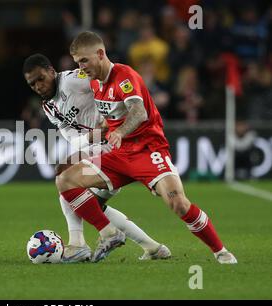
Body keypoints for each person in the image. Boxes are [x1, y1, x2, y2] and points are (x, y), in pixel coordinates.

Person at [56, 31, 237, 264]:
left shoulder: (124, 76)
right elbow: (108, 119)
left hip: (148, 151)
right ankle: (109, 233)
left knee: (178, 203)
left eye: (84, 60)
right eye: (77, 62)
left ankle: (221, 251)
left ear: (100, 54)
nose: (81, 67)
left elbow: (138, 113)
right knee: (66, 179)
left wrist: (120, 132)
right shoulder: (95, 83)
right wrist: (95, 135)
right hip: (120, 155)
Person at [23, 53, 171, 263]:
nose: (38, 86)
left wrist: (111, 120)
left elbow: (107, 81)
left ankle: (80, 243)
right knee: (89, 204)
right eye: (32, 84)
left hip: (116, 144)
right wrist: (88, 138)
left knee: (65, 179)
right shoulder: (49, 107)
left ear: (51, 71)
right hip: (97, 146)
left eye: (40, 79)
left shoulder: (75, 79)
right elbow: (71, 136)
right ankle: (152, 247)